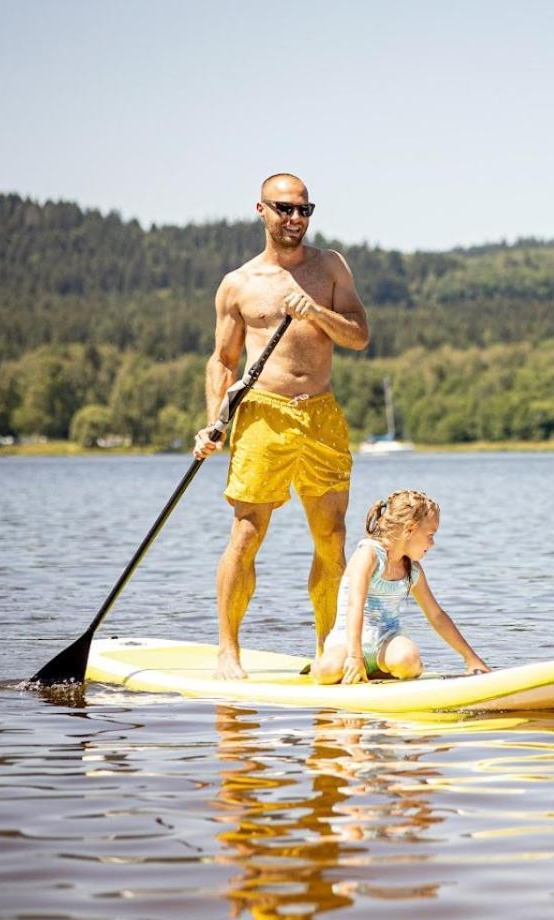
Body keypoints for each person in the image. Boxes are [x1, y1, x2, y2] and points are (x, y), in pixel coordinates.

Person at [193, 173, 370, 679]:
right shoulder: (239, 284)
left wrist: (315, 311)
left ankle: (328, 651)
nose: (296, 219)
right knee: (247, 535)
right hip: (262, 417)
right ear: (261, 210)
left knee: (331, 538)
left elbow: (359, 336)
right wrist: (214, 423)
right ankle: (228, 651)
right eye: (285, 209)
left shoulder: (330, 266)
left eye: (304, 210)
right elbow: (222, 362)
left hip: (320, 414)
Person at [311, 490, 490, 684]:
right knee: (327, 672)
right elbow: (355, 605)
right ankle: (337, 665)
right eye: (430, 534)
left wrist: (471, 659)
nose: (433, 542)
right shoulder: (369, 555)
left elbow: (437, 616)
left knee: (409, 662)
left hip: (386, 640)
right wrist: (355, 657)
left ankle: (378, 669)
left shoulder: (412, 571)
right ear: (410, 528)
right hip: (347, 642)